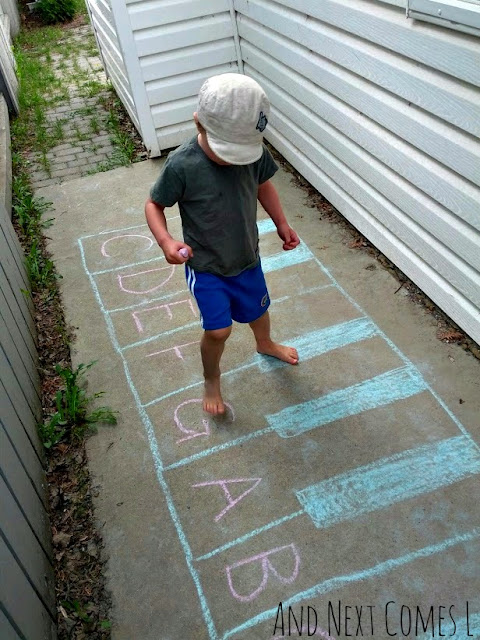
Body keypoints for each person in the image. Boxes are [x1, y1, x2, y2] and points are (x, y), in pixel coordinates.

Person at [145, 73, 300, 416]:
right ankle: (211, 378)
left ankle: (265, 343)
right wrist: (166, 240)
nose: (234, 160)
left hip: (247, 257)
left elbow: (264, 185)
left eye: (240, 153)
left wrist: (282, 223)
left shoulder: (252, 152)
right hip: (208, 267)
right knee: (218, 330)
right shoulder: (183, 164)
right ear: (198, 123)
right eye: (226, 151)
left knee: (259, 310)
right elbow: (154, 204)